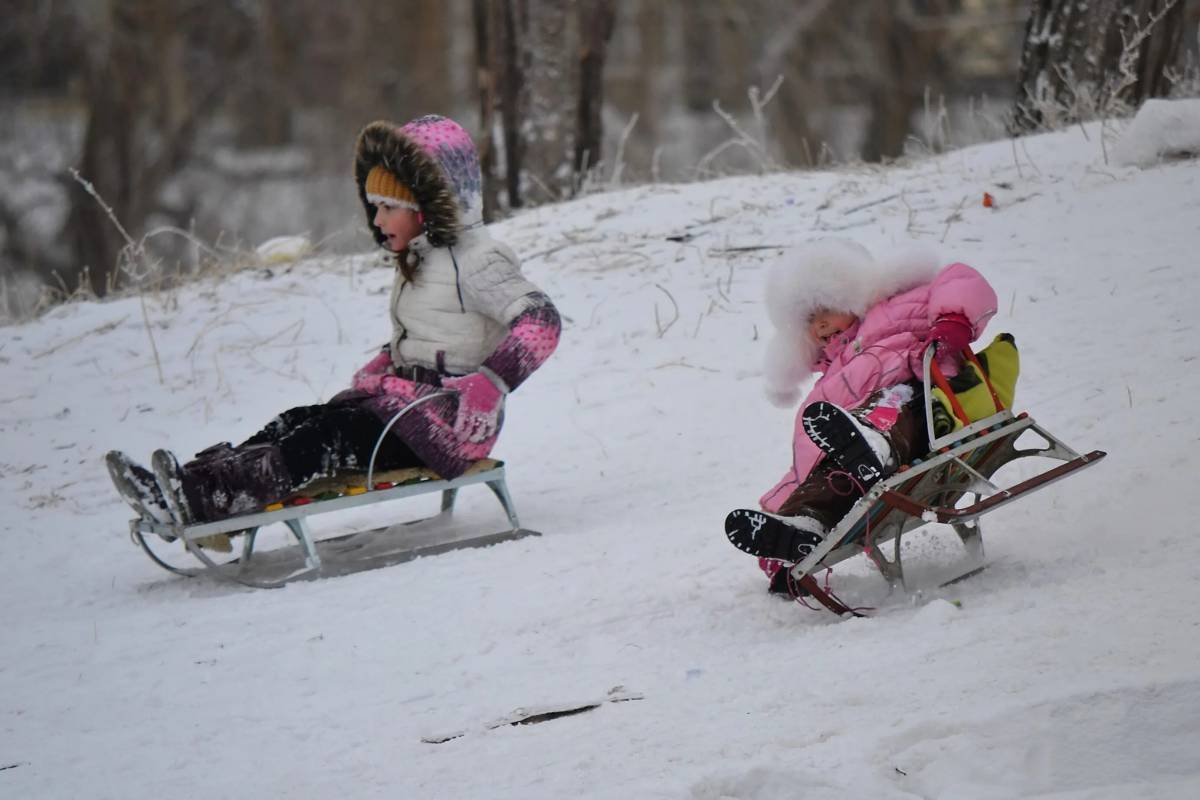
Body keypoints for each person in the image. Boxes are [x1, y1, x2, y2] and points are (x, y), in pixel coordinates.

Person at [106, 115, 561, 527]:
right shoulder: (423, 260)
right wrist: (388, 362)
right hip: (406, 406)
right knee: (299, 419)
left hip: (448, 426)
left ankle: (207, 500)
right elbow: (436, 333)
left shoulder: (479, 262)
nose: (378, 220)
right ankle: (190, 487)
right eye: (374, 207)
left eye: (389, 207)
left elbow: (542, 320)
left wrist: (490, 383)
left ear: (427, 206)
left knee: (326, 438)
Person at [724, 238, 997, 594]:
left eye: (828, 308)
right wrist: (782, 515)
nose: (821, 324)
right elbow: (805, 466)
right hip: (857, 459)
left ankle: (873, 443)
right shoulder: (827, 386)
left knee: (887, 405)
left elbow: (959, 280)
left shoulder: (895, 308)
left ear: (853, 294)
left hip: (920, 412)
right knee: (826, 474)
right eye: (809, 319)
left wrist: (953, 318)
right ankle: (800, 532)